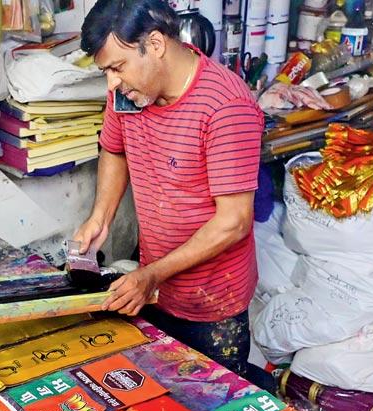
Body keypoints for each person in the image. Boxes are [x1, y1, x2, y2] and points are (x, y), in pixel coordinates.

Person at [74, 0, 271, 388]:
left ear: (156, 44)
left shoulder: (226, 105)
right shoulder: (129, 92)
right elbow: (114, 149)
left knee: (212, 405)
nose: (111, 83)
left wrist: (151, 275)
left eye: (117, 67)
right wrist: (101, 217)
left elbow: (233, 222)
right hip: (155, 289)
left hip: (212, 306)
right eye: (106, 71)